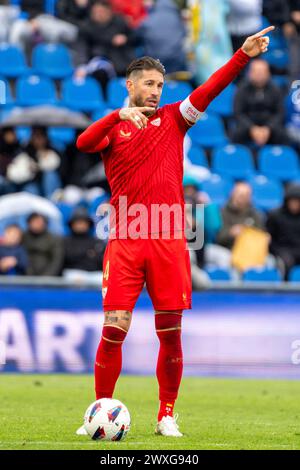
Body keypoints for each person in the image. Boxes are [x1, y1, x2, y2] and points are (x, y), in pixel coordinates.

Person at [76, 25, 274, 437]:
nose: (156, 91)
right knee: (114, 327)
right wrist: (117, 114)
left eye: (160, 84)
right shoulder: (113, 128)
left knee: (170, 332)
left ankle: (166, 414)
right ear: (130, 85)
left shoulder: (174, 119)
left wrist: (242, 55)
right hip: (127, 239)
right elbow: (82, 143)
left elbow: (209, 90)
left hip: (168, 241)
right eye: (148, 84)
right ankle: (98, 411)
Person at [75, 0, 136, 93]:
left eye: (102, 12)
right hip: (98, 63)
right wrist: (81, 65)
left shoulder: (120, 22)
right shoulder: (86, 27)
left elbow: (135, 38)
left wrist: (125, 38)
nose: (99, 15)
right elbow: (81, 48)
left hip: (121, 63)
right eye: (96, 12)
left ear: (109, 12)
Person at [232, 59, 288, 146]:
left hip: (269, 125)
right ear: (250, 73)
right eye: (256, 71)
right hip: (248, 124)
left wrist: (268, 128)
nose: (259, 75)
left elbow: (279, 112)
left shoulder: (275, 89)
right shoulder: (241, 89)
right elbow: (238, 113)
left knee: (283, 135)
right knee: (236, 135)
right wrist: (252, 129)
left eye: (262, 72)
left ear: (268, 73)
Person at [216, 182, 265, 250]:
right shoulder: (222, 212)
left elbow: (261, 233)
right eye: (239, 195)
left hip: (249, 250)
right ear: (232, 194)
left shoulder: (255, 214)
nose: (241, 198)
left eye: (245, 196)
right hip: (228, 248)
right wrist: (230, 233)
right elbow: (218, 238)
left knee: (269, 260)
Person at [63, 207, 105, 282]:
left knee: (101, 279)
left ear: (88, 224)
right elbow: (67, 258)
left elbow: (100, 262)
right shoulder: (65, 241)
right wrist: (88, 253)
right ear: (72, 224)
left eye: (83, 222)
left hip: (93, 275)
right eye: (77, 222)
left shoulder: (97, 242)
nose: (80, 225)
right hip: (72, 273)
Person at [266, 184, 300, 277]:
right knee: (286, 262)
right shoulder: (275, 215)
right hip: (281, 249)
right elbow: (269, 238)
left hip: (297, 248)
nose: (295, 204)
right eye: (293, 201)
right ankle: (285, 289)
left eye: (298, 201)